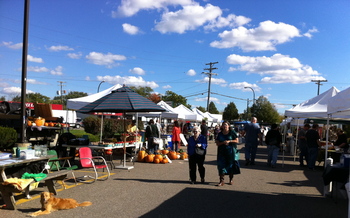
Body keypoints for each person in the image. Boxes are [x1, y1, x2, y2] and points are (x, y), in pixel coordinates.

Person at [215, 121, 240, 186]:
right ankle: (221, 181)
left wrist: (230, 141)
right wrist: (223, 142)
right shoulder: (220, 134)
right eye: (223, 125)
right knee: (221, 165)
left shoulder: (232, 132)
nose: (225, 126)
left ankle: (231, 179)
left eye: (226, 125)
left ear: (229, 126)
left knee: (230, 165)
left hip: (230, 151)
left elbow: (237, 141)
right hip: (221, 152)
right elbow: (217, 143)